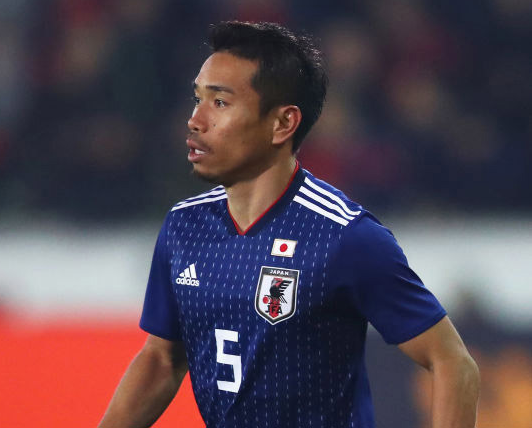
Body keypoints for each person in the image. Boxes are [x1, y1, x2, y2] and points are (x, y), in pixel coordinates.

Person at [99, 21, 480, 428]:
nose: (195, 120)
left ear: (283, 123)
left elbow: (453, 363)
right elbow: (162, 359)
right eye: (198, 99)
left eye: (220, 102)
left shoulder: (344, 237)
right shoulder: (184, 227)